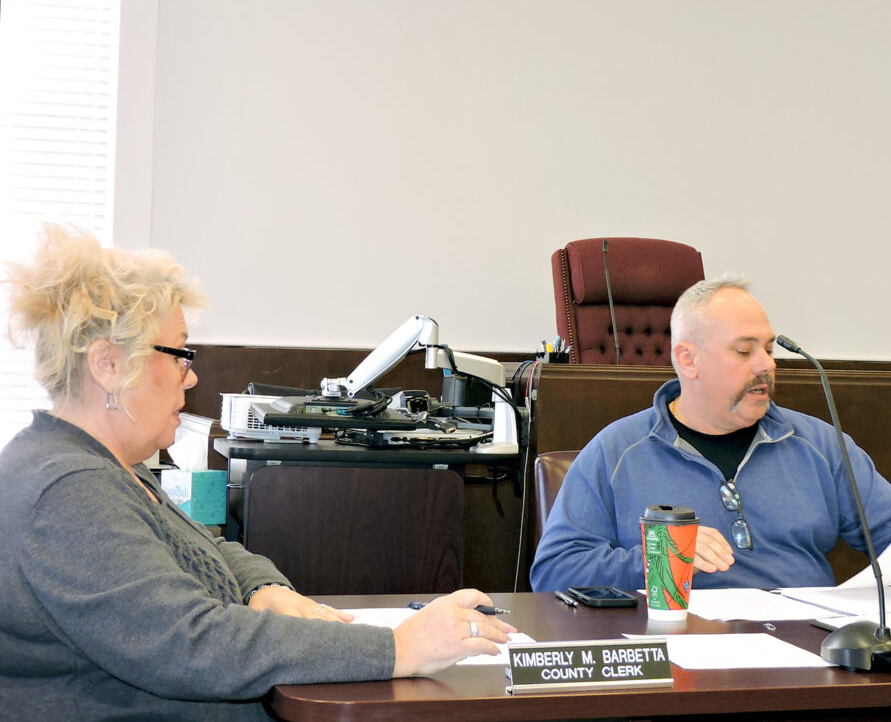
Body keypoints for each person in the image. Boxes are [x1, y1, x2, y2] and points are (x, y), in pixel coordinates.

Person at [0, 224, 514, 721]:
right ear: (107, 364)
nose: (191, 377)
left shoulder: (104, 467)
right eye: (179, 355)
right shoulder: (67, 492)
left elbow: (206, 550)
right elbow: (195, 645)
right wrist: (399, 647)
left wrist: (261, 588)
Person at [530, 275, 891, 594]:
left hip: (809, 655)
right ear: (688, 360)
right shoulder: (617, 451)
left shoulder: (817, 444)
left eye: (769, 349)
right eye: (744, 351)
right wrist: (661, 560)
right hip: (680, 657)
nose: (767, 365)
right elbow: (555, 571)